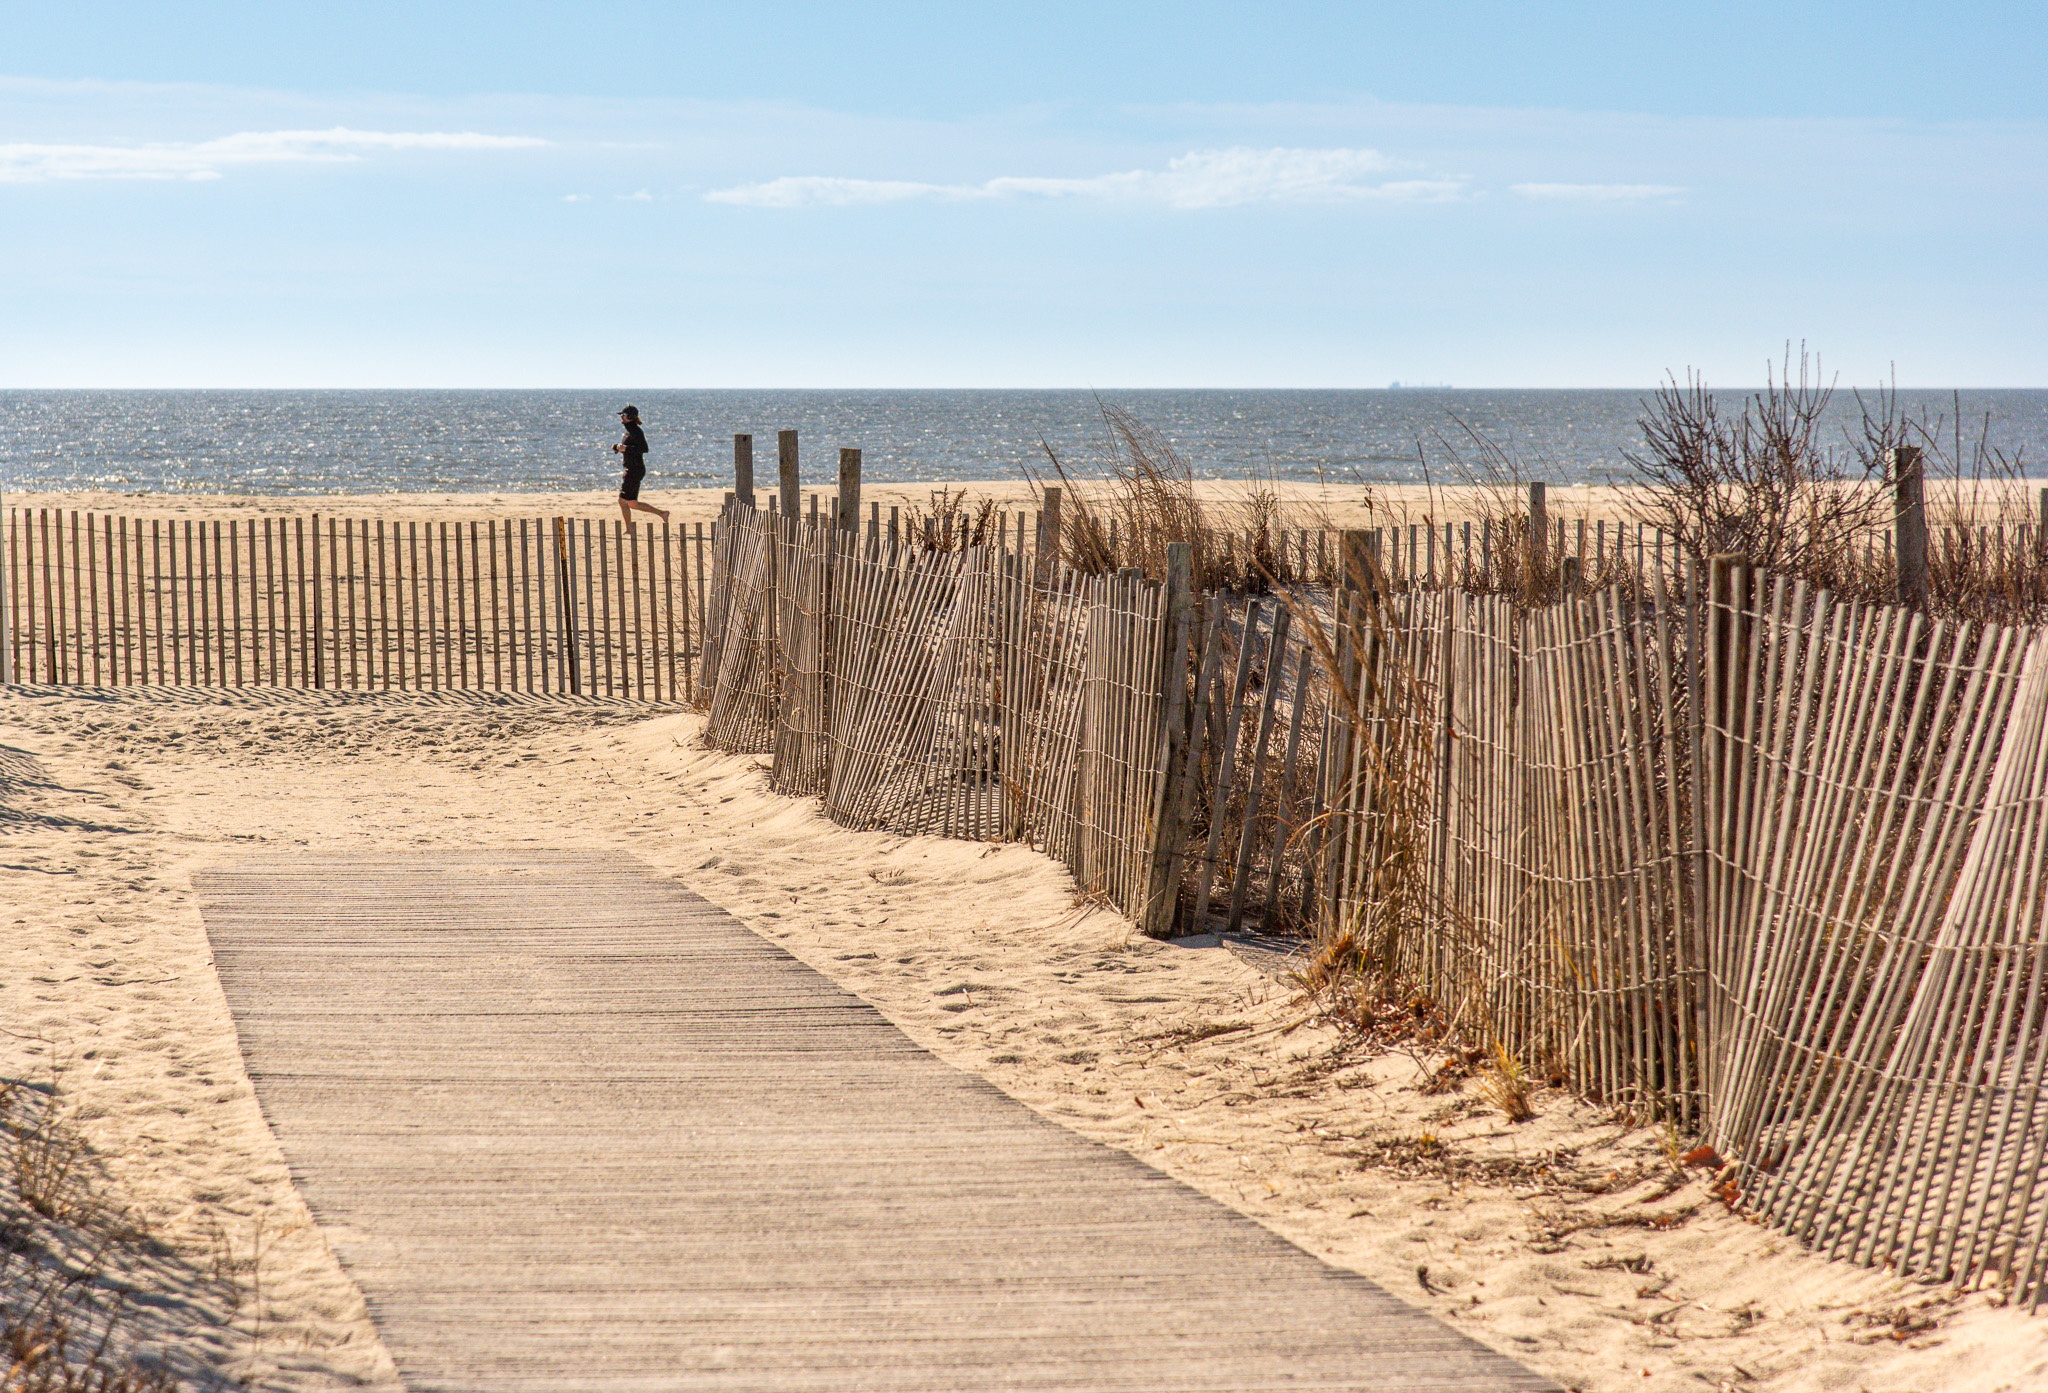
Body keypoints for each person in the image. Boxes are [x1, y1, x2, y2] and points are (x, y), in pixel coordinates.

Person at [611, 405, 669, 524]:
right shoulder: (629, 430)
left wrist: (626, 449)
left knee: (622, 501)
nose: (621, 417)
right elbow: (630, 447)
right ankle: (662, 513)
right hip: (631, 469)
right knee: (632, 503)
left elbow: (644, 448)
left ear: (631, 417)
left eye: (624, 415)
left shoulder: (636, 430)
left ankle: (628, 530)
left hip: (634, 470)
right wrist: (617, 447)